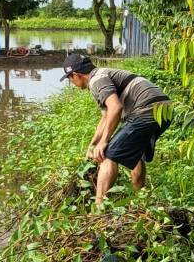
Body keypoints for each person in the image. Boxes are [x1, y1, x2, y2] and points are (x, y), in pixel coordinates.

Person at [60, 54, 171, 205]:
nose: (70, 82)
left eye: (69, 78)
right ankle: (140, 198)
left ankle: (98, 209)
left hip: (145, 110)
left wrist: (104, 142)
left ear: (76, 75)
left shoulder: (96, 80)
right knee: (135, 154)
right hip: (164, 109)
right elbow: (106, 117)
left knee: (107, 154)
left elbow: (115, 107)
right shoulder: (101, 74)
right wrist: (92, 145)